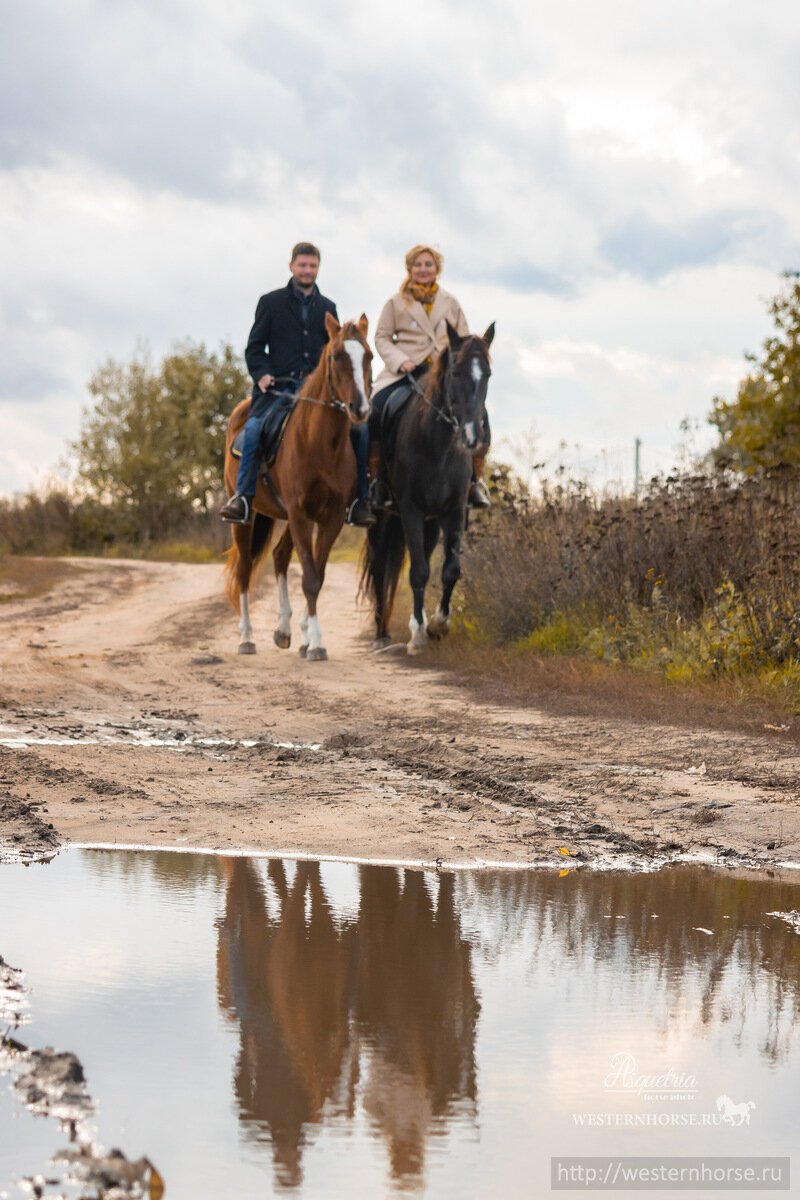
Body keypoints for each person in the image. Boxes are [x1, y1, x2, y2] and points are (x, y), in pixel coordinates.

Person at [221, 242, 374, 526]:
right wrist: (263, 374)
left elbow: (336, 353)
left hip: (316, 390)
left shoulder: (328, 307)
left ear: (318, 268)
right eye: (302, 265)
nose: (307, 271)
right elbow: (254, 348)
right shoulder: (270, 302)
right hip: (277, 387)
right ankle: (242, 497)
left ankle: (360, 501)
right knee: (253, 430)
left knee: (360, 432)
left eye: (312, 266)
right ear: (292, 266)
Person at [369, 244, 491, 509]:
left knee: (479, 413)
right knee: (376, 410)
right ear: (410, 269)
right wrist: (401, 361)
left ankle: (473, 482)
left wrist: (451, 360)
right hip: (405, 371)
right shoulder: (395, 302)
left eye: (428, 265)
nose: (423, 270)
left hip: (443, 373)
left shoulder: (451, 303)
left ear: (437, 269)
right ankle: (377, 480)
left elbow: (464, 340)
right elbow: (381, 337)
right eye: (418, 265)